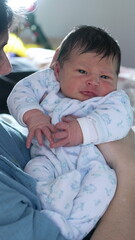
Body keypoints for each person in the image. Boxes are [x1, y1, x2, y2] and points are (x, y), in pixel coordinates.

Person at [0, 1, 135, 240]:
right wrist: (34, 116)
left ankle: (75, 227)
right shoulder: (49, 83)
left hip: (90, 163)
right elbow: (20, 94)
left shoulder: (111, 99)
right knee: (36, 174)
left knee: (103, 183)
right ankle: (55, 215)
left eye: (105, 76)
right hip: (48, 156)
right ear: (57, 69)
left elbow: (121, 119)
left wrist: (82, 130)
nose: (94, 82)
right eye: (82, 72)